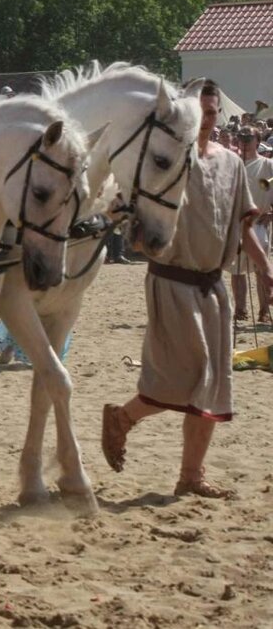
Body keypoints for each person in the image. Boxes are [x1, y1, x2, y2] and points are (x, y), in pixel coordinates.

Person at [102, 81, 273, 499]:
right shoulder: (162, 160)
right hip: (171, 281)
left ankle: (191, 477)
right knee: (179, 377)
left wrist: (266, 269)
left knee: (211, 382)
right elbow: (119, 208)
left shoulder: (232, 163)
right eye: (201, 111)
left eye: (212, 112)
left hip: (214, 287)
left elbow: (242, 228)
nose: (207, 119)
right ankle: (123, 418)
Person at [229, 127, 273, 322]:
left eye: (248, 138)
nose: (244, 141)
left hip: (258, 223)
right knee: (237, 270)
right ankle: (240, 310)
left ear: (257, 140)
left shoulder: (268, 165)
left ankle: (264, 311)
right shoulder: (232, 164)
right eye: (241, 137)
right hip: (236, 224)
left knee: (261, 270)